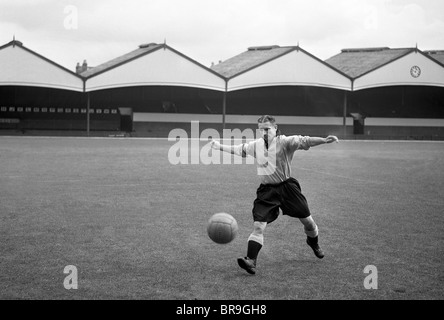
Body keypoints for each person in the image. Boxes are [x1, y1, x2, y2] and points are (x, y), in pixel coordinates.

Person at [210, 115, 339, 275]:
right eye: (261, 130)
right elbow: (239, 150)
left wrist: (324, 140)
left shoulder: (285, 142)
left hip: (287, 189)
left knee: (308, 222)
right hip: (267, 192)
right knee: (258, 226)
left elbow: (305, 141)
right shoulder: (256, 145)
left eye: (267, 129)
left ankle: (314, 244)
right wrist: (218, 146)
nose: (264, 132)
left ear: (275, 128)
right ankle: (251, 261)